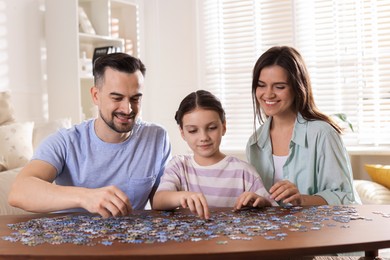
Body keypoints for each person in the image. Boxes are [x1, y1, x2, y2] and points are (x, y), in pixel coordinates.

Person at [8, 53, 172, 218]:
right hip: (71, 240)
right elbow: (19, 192)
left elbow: (161, 201)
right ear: (95, 95)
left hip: (133, 240)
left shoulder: (157, 138)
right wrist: (85, 197)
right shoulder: (65, 142)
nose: (127, 109)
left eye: (135, 99)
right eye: (117, 98)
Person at [246, 46, 361, 206]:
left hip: (318, 231)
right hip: (273, 231)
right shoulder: (255, 143)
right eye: (261, 85)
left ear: (298, 87)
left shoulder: (323, 134)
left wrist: (302, 199)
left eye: (279, 87)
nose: (268, 94)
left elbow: (347, 199)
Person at [152, 90, 277, 219]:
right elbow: (158, 200)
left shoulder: (243, 171)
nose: (204, 137)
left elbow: (273, 209)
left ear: (224, 127)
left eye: (211, 128)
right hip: (191, 237)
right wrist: (183, 196)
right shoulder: (178, 166)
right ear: (183, 133)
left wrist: (261, 202)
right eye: (193, 130)